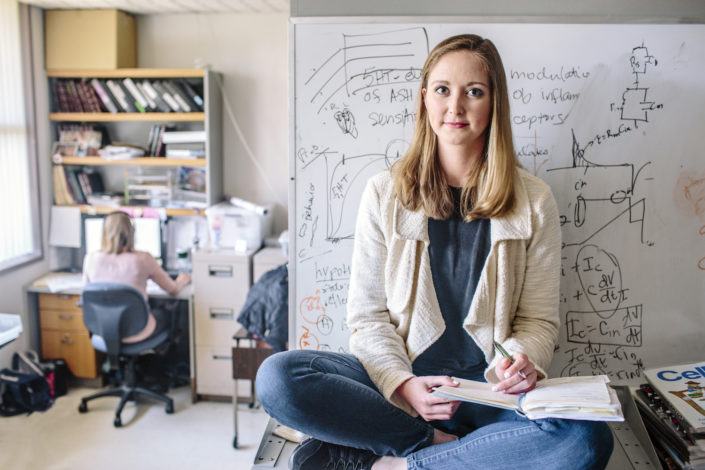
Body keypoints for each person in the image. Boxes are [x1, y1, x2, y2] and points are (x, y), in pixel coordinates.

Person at [256, 34, 614, 470]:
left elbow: (538, 322)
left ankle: (394, 464)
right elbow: (367, 318)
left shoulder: (534, 200)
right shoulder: (384, 192)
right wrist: (405, 386)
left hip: (489, 396)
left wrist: (524, 362)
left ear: (493, 102)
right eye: (443, 89)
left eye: (474, 92)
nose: (456, 107)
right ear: (424, 97)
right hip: (398, 390)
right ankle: (437, 446)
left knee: (587, 440)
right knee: (278, 378)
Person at [82, 211, 191, 343]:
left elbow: (86, 294)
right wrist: (181, 280)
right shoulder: (143, 258)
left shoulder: (90, 258)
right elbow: (172, 290)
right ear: (131, 232)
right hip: (138, 331)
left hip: (104, 331)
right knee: (168, 314)